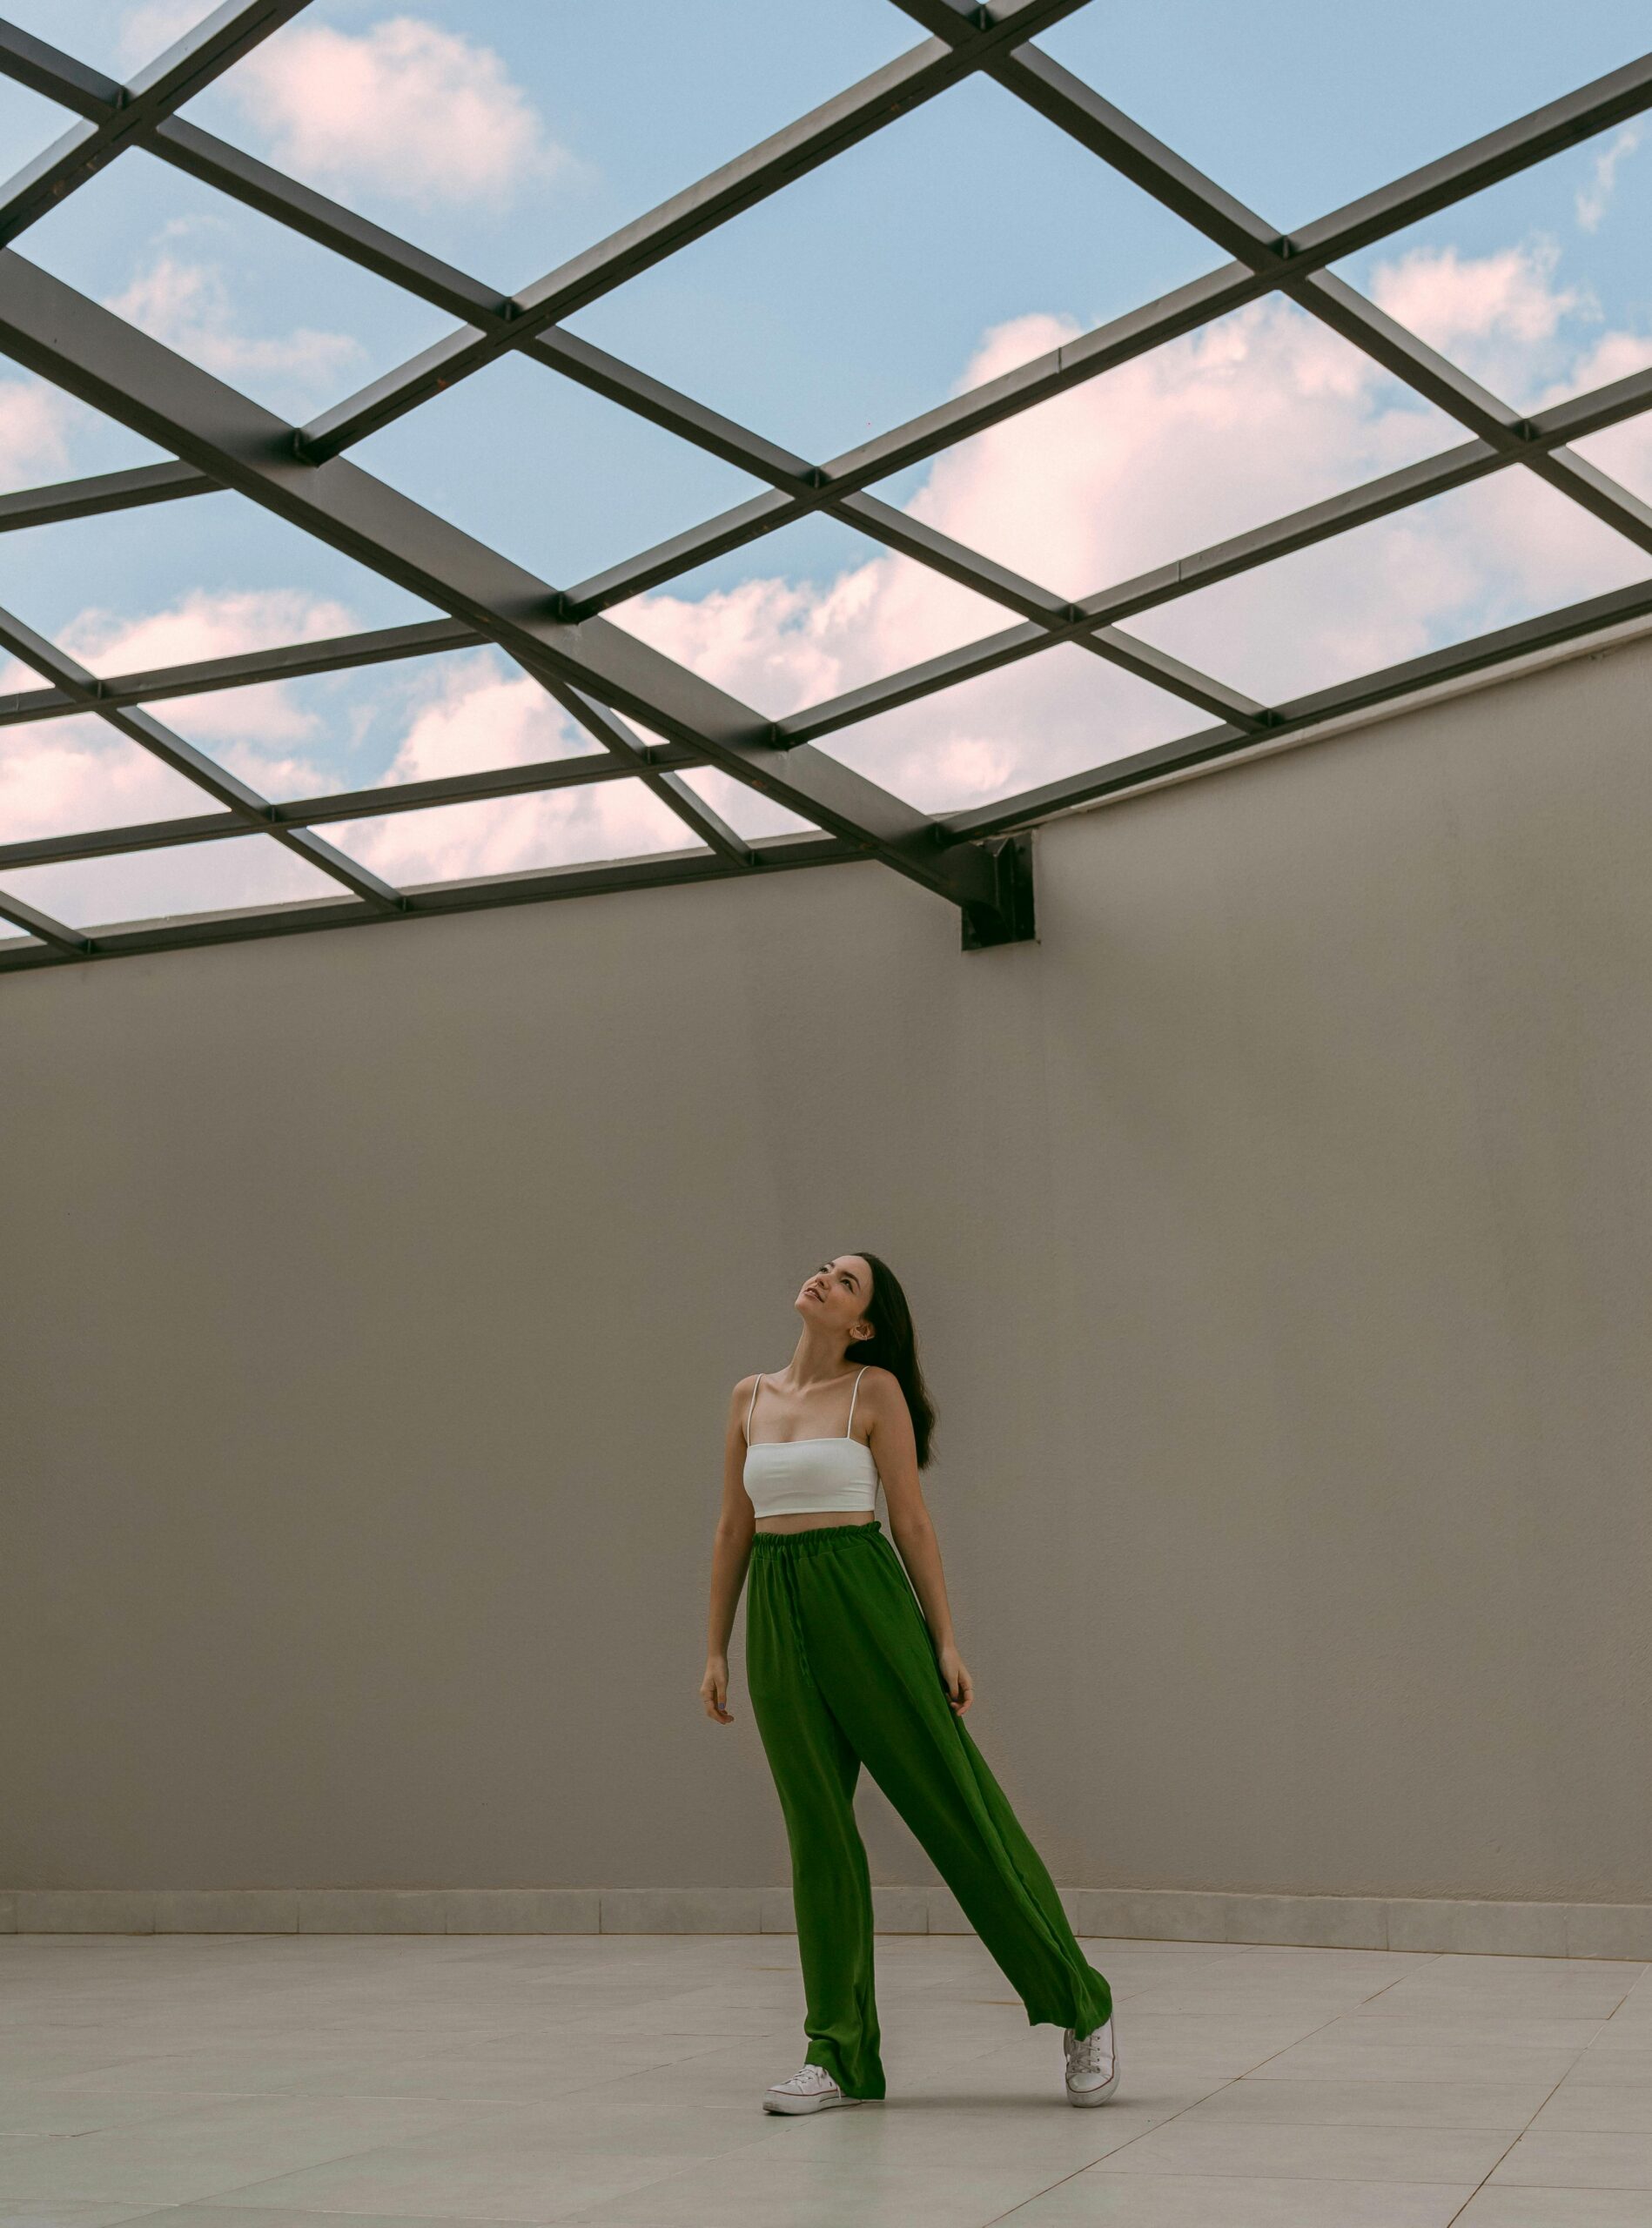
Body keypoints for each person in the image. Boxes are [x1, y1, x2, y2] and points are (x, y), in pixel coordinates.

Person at [702, 1250, 1119, 2114]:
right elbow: (732, 1527)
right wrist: (714, 1647)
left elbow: (911, 1521)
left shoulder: (873, 1392)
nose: (822, 1277)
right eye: (823, 1267)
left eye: (844, 1282)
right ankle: (838, 2052)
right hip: (777, 1613)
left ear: (862, 1324)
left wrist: (945, 1640)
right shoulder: (749, 1396)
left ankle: (1082, 2003)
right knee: (816, 1832)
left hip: (865, 1600)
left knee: (955, 1808)